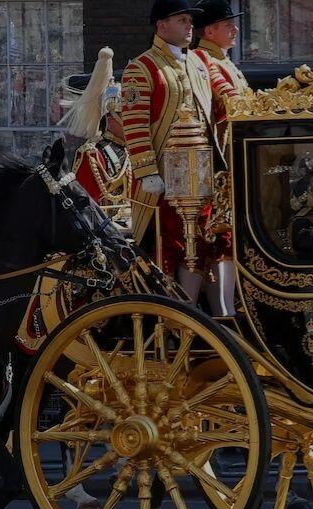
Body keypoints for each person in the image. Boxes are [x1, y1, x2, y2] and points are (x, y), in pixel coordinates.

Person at [121, 0, 236, 302]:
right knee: (169, 246)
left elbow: (214, 114)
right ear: (161, 25)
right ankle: (172, 314)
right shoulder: (141, 67)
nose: (189, 27)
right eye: (182, 20)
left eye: (189, 21)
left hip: (201, 174)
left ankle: (199, 315)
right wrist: (147, 171)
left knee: (201, 245)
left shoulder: (197, 63)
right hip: (163, 178)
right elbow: (135, 124)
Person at [191, 0, 248, 317]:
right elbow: (231, 100)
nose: (235, 29)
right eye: (229, 24)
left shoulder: (222, 59)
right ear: (210, 30)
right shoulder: (203, 58)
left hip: (233, 160)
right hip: (219, 164)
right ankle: (222, 312)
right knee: (219, 241)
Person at [61, 47, 130, 220]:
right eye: (127, 117)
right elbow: (88, 206)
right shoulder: (93, 154)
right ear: (112, 118)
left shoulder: (136, 150)